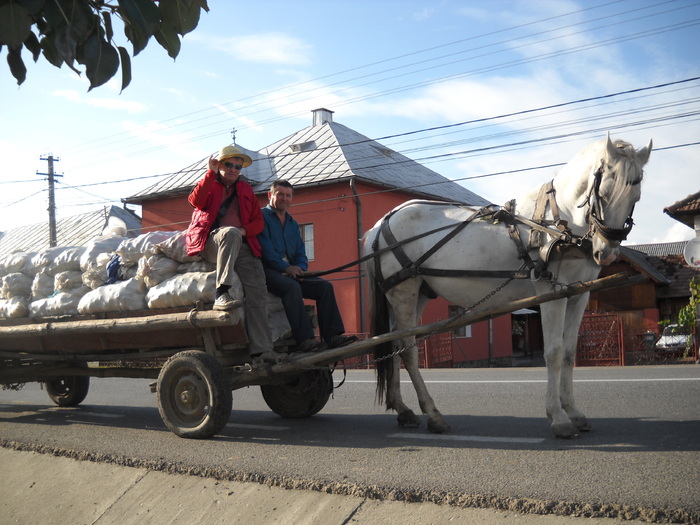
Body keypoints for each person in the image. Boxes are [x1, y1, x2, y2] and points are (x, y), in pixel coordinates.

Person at [185, 145, 274, 358]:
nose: (234, 169)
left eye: (238, 166)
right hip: (212, 242)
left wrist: (245, 230)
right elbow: (195, 201)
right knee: (230, 233)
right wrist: (209, 173)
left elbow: (258, 222)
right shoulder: (210, 184)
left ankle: (262, 349)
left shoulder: (246, 191)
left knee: (259, 291)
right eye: (229, 164)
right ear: (220, 165)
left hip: (241, 244)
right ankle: (221, 293)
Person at [258, 179, 357, 353]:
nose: (284, 198)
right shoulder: (260, 217)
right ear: (270, 195)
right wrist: (286, 268)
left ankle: (333, 336)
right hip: (267, 272)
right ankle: (304, 340)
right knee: (292, 288)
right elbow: (266, 251)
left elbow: (300, 253)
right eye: (280, 194)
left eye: (288, 196)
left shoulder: (292, 224)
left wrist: (301, 269)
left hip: (291, 272)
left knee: (324, 287)